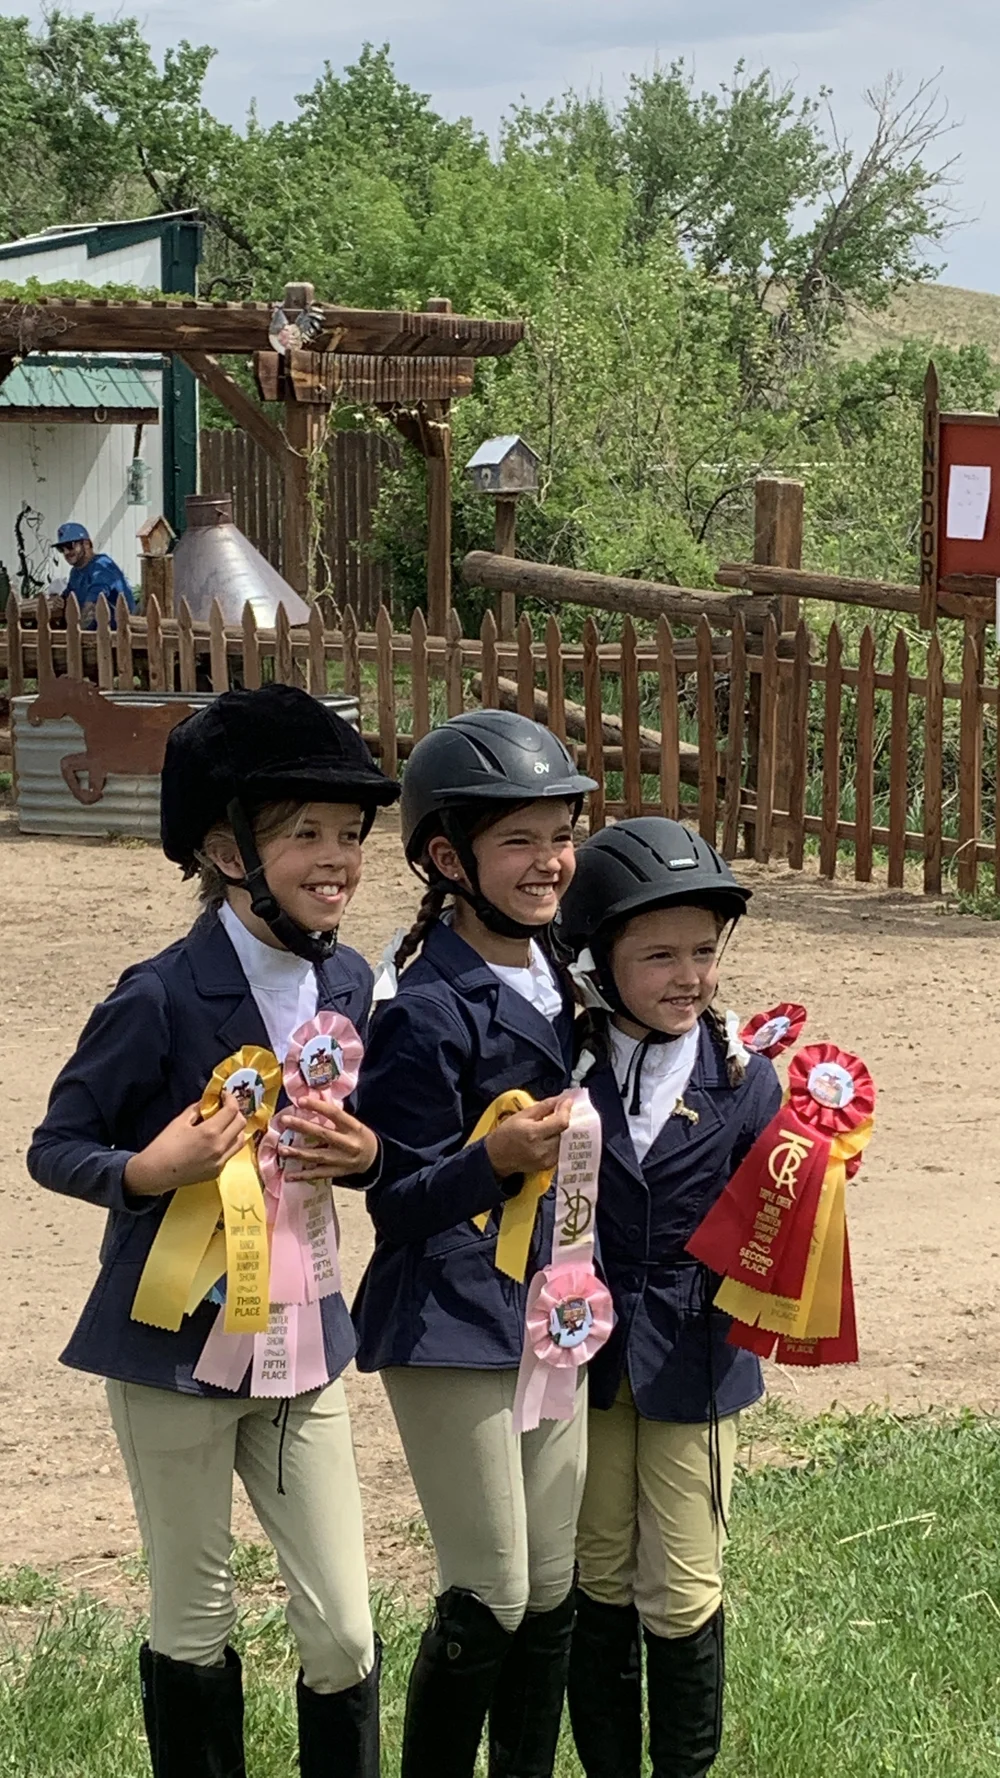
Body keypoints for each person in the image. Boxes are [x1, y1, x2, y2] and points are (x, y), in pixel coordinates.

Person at [27, 684, 400, 1778]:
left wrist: (362, 1154)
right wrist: (149, 1167)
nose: (334, 858)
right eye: (302, 834)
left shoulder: (352, 977)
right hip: (169, 1342)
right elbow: (57, 1143)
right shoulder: (155, 996)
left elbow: (354, 1132)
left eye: (348, 834)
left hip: (304, 1339)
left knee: (341, 1626)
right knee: (194, 1613)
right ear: (223, 848)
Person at [350, 709, 597, 1778]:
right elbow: (394, 1201)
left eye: (559, 834)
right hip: (449, 1318)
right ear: (449, 859)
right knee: (489, 1591)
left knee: (551, 1585)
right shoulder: (421, 1005)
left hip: (558, 1310)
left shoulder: (572, 973)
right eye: (518, 841)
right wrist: (490, 1157)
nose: (549, 862)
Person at [555, 818, 782, 1778]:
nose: (688, 975)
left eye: (703, 951)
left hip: (697, 1358)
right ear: (599, 963)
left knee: (682, 1586)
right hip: (588, 1360)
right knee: (595, 1570)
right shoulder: (561, 1070)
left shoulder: (749, 1082)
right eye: (658, 955)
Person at [52, 521, 136, 627]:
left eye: (70, 546)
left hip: (116, 637)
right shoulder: (75, 572)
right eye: (61, 549)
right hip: (97, 636)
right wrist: (60, 600)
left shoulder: (102, 566)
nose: (66, 552)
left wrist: (76, 635)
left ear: (86, 544)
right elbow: (68, 596)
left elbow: (90, 608)